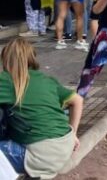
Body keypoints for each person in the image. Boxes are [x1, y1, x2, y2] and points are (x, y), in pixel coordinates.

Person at [0, 38, 83, 178]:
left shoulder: (6, 80)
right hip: (64, 148)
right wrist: (74, 133)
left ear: (5, 59)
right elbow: (77, 100)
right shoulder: (46, 79)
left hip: (39, 154)